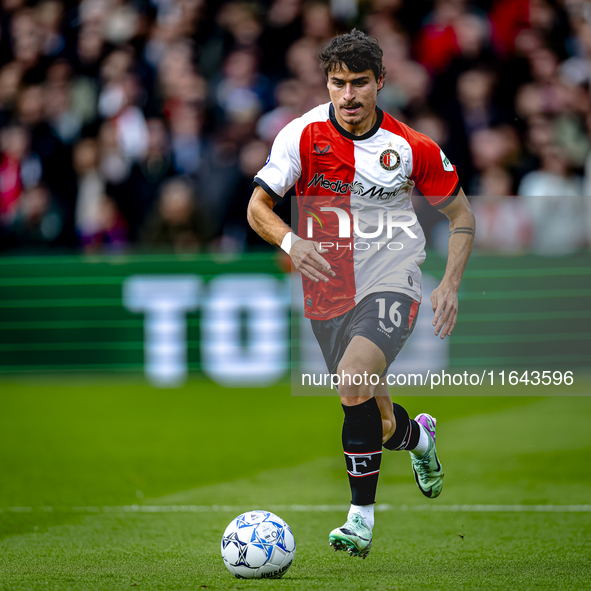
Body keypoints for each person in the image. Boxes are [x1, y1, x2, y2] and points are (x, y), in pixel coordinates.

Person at [247, 29, 475, 558]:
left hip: (393, 278)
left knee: (352, 382)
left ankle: (360, 520)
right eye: (337, 83)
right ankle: (419, 439)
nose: (347, 96)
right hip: (328, 292)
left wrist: (450, 283)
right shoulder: (299, 137)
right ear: (325, 83)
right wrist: (290, 238)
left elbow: (462, 215)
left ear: (380, 82)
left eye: (358, 83)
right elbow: (258, 208)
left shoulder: (411, 147)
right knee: (380, 419)